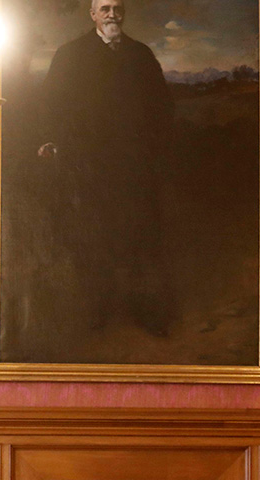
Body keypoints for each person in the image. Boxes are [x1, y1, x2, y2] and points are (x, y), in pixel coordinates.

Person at [37, 0, 174, 335]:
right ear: (93, 14)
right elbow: (51, 103)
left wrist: (154, 145)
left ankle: (143, 310)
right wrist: (52, 139)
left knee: (139, 234)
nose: (112, 14)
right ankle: (97, 311)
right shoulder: (70, 54)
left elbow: (161, 104)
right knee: (94, 236)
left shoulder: (141, 54)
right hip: (88, 164)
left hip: (134, 163)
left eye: (117, 8)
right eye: (105, 8)